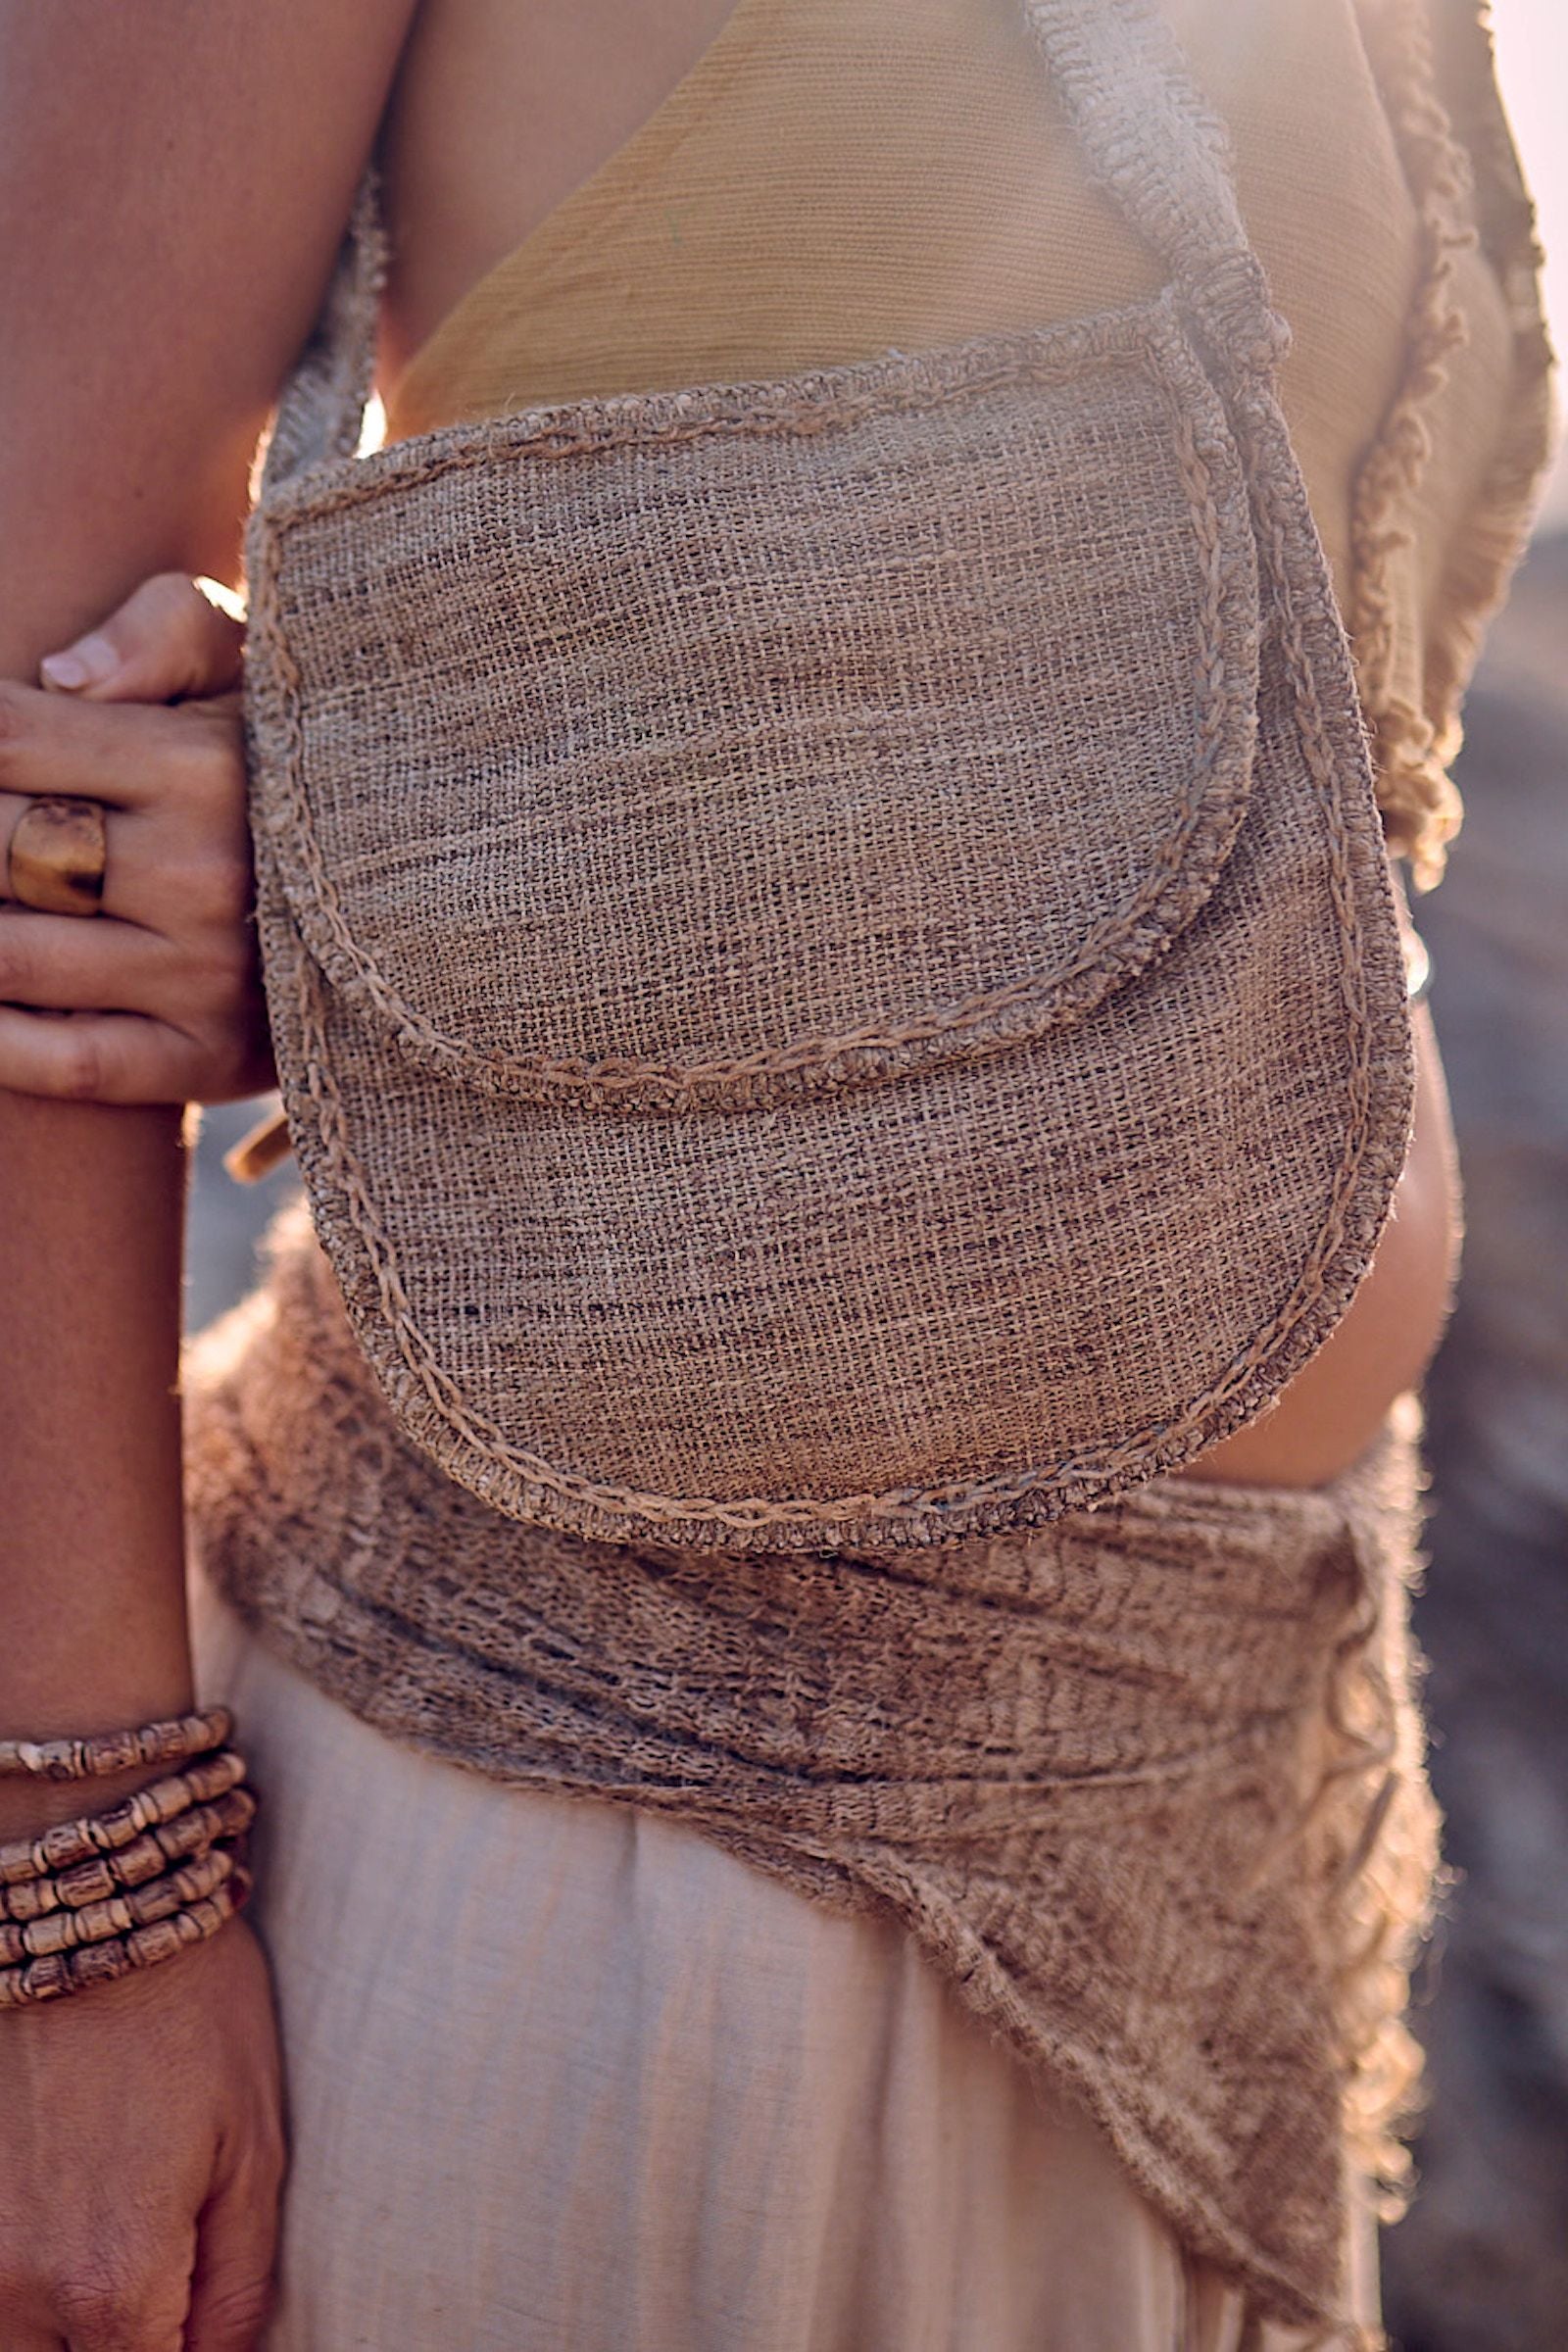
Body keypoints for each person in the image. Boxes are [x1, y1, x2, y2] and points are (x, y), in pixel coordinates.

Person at [0, 0, 1552, 2346]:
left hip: (1182, 1858)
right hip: (609, 1889)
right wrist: (68, 1909)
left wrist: (419, 852)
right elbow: (26, 693)